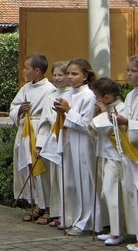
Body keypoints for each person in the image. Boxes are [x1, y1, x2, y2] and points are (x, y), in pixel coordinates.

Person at [55, 59, 101, 236]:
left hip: (83, 142)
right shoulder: (70, 94)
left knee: (85, 181)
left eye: (74, 74)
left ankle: (89, 221)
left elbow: (86, 124)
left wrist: (68, 111)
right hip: (70, 140)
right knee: (73, 182)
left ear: (85, 76)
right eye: (68, 73)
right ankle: (75, 217)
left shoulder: (89, 96)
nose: (69, 77)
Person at [9, 53, 56, 222]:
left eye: (27, 68)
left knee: (43, 171)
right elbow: (13, 108)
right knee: (29, 170)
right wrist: (20, 110)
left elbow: (49, 115)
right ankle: (36, 205)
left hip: (39, 130)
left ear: (37, 70)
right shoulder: (26, 88)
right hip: (25, 132)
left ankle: (49, 208)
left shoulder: (50, 90)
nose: (24, 71)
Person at [114, 54, 138, 251]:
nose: (129, 74)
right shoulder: (130, 95)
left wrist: (128, 123)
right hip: (133, 152)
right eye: (127, 70)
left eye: (134, 71)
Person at [90, 78, 129, 246]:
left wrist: (102, 112)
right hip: (106, 155)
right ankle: (114, 229)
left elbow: (103, 127)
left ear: (106, 97)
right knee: (107, 192)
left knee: (113, 194)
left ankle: (117, 233)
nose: (96, 100)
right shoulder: (112, 106)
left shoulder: (120, 108)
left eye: (97, 97)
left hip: (115, 157)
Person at [37, 61, 72, 228]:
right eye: (55, 75)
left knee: (67, 178)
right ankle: (57, 212)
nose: (57, 78)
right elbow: (44, 123)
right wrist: (39, 145)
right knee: (54, 179)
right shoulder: (50, 96)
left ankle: (70, 214)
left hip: (68, 137)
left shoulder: (72, 94)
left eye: (61, 75)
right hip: (53, 138)